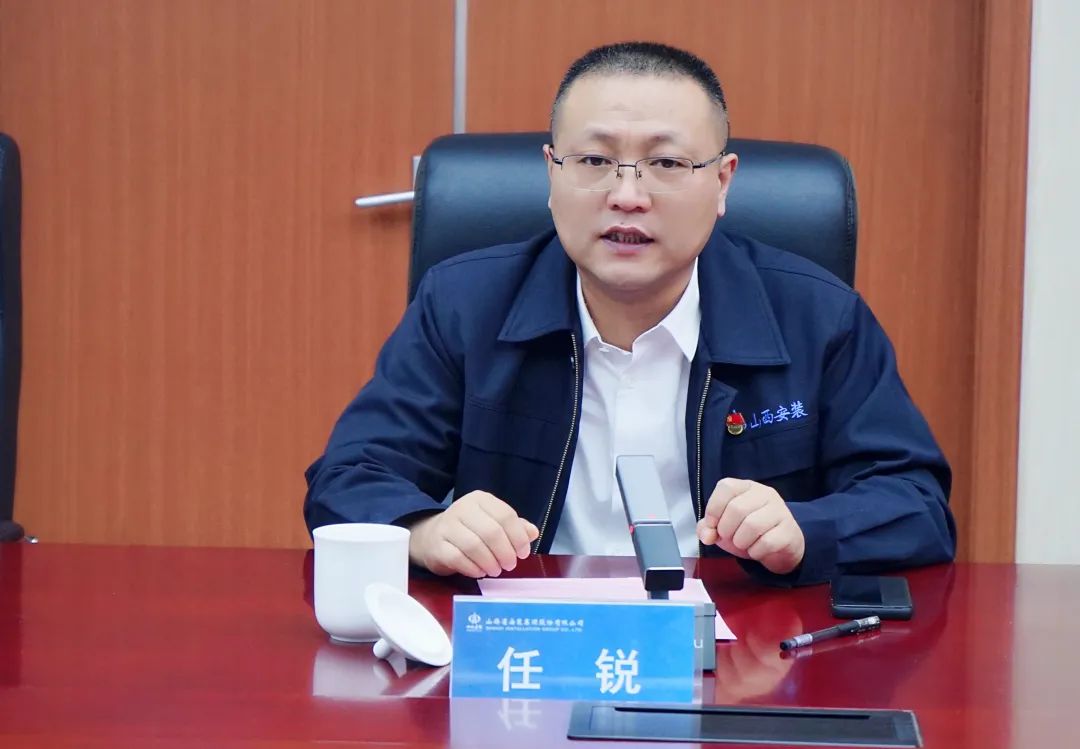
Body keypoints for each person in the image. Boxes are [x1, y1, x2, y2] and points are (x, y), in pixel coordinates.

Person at [304, 42, 956, 586]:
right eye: (594, 161)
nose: (627, 195)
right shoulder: (463, 304)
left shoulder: (819, 316)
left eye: (666, 163)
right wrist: (424, 529)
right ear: (552, 174)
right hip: (526, 644)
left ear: (722, 181)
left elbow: (915, 503)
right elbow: (348, 477)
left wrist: (804, 530)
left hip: (741, 655)